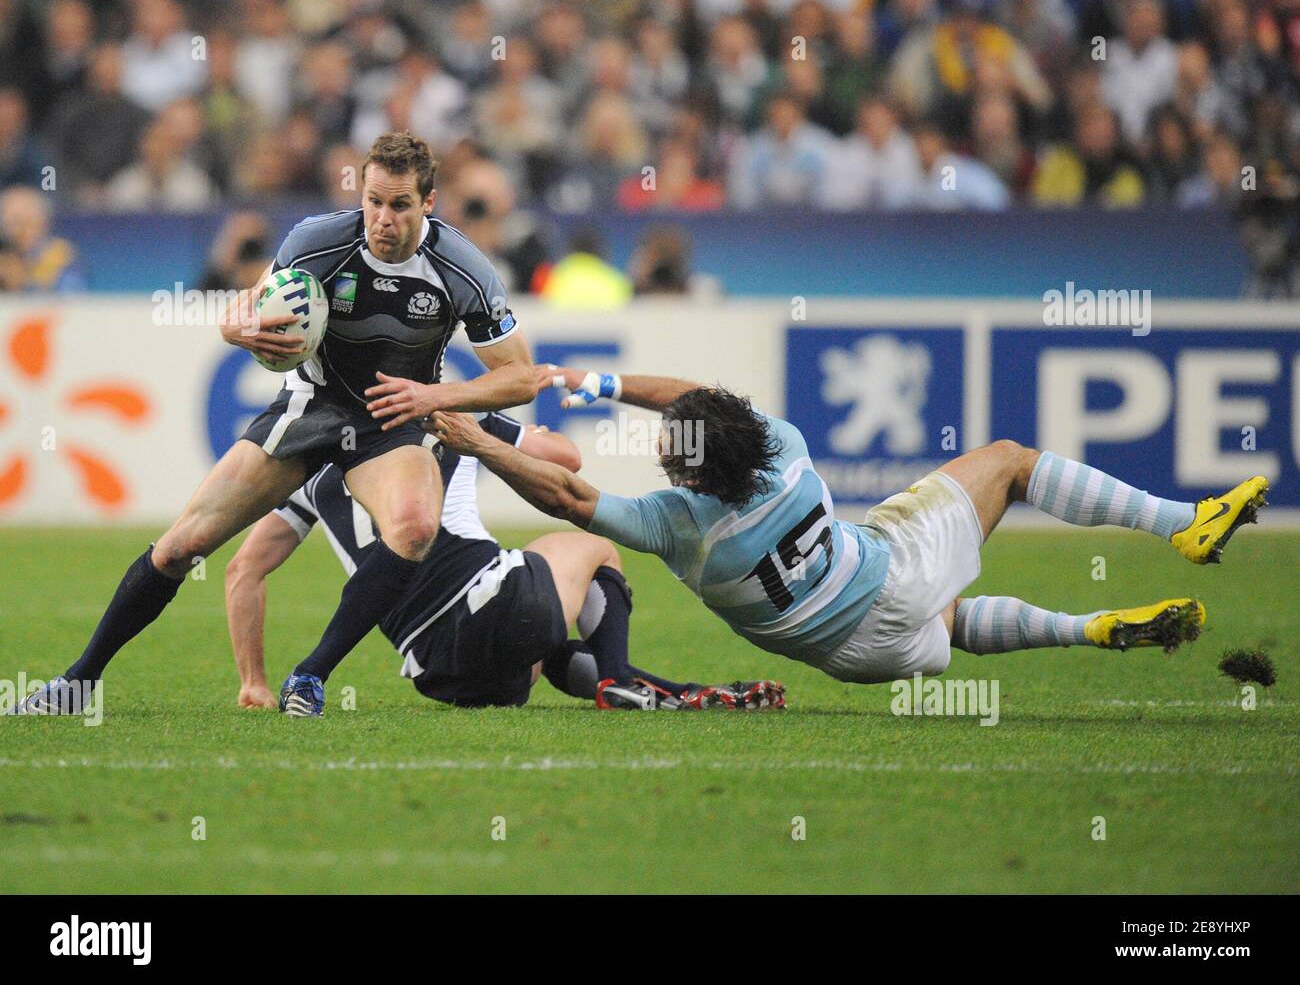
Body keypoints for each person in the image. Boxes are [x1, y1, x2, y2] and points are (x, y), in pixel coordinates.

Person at [10, 131, 536, 717]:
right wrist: (234, 327)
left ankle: (310, 676)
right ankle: (78, 682)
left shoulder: (463, 268)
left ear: (429, 203)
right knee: (182, 546)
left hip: (392, 421)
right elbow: (252, 307)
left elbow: (520, 378)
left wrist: (437, 395)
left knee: (414, 528)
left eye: (400, 205)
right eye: (374, 201)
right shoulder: (317, 240)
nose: (382, 219)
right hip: (309, 410)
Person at [426, 366, 1270, 687]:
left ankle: (1096, 623)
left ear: (688, 473)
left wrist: (472, 440)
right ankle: (1179, 522)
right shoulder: (784, 446)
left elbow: (569, 501)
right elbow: (701, 399)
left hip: (853, 657)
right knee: (1009, 462)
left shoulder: (677, 525)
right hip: (882, 573)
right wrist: (603, 380)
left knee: (952, 620)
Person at [225, 413, 780, 713]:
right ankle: (618, 677)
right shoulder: (441, 409)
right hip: (496, 605)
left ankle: (670, 690)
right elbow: (567, 457)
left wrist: (254, 681)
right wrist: (487, 429)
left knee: (547, 645)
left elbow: (242, 570)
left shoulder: (311, 465)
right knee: (593, 547)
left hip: (442, 673)